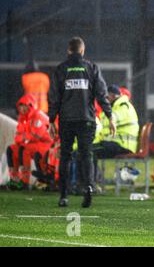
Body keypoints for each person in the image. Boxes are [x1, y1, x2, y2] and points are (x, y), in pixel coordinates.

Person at [48, 36, 116, 208]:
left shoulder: (61, 69)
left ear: (68, 51)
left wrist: (51, 120)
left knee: (65, 156)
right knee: (86, 155)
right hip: (86, 119)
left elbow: (54, 98)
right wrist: (110, 116)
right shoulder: (92, 68)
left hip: (66, 120)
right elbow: (102, 94)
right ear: (82, 51)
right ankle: (88, 190)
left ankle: (63, 196)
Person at [93, 85, 139, 183]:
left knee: (88, 152)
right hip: (117, 144)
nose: (105, 100)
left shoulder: (123, 106)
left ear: (113, 96)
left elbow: (109, 121)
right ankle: (95, 180)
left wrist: (95, 119)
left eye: (107, 97)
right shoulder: (119, 106)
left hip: (122, 145)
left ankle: (93, 181)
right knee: (88, 151)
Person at [6, 94, 53, 190]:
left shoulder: (38, 116)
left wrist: (23, 137)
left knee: (24, 149)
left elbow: (37, 136)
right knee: (11, 149)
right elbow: (17, 138)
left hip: (46, 145)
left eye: (24, 106)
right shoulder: (23, 119)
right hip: (32, 144)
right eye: (20, 106)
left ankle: (25, 181)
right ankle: (14, 179)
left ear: (30, 105)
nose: (22, 108)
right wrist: (25, 138)